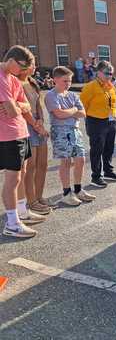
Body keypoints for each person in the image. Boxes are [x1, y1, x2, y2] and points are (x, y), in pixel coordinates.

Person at [0, 46, 41, 238]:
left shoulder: (13, 79)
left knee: (22, 174)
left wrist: (16, 105)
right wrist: (16, 106)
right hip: (7, 135)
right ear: (12, 61)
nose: (25, 70)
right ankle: (12, 222)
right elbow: (14, 110)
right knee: (13, 179)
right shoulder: (1, 78)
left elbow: (24, 107)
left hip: (21, 132)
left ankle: (22, 211)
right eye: (23, 66)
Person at [45, 66, 96, 206]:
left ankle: (78, 190)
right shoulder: (51, 95)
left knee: (80, 159)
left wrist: (71, 111)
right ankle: (67, 193)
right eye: (64, 81)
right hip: (61, 131)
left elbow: (83, 113)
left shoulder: (73, 95)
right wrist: (74, 110)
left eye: (69, 81)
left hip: (75, 130)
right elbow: (59, 114)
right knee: (66, 162)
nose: (67, 84)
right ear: (55, 79)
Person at [80, 61, 116, 188]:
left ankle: (108, 171)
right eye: (106, 73)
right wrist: (88, 119)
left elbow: (112, 103)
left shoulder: (110, 86)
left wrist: (114, 116)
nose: (109, 76)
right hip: (96, 121)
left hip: (110, 121)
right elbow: (82, 105)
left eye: (111, 73)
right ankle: (96, 176)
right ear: (98, 73)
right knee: (97, 149)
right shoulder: (90, 87)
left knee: (109, 148)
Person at [18, 66, 51, 215]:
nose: (34, 66)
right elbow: (23, 110)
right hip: (26, 126)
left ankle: (38, 197)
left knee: (42, 164)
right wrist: (36, 126)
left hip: (38, 125)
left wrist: (41, 121)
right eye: (31, 63)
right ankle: (30, 201)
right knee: (30, 167)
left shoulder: (32, 82)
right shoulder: (16, 83)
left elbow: (38, 104)